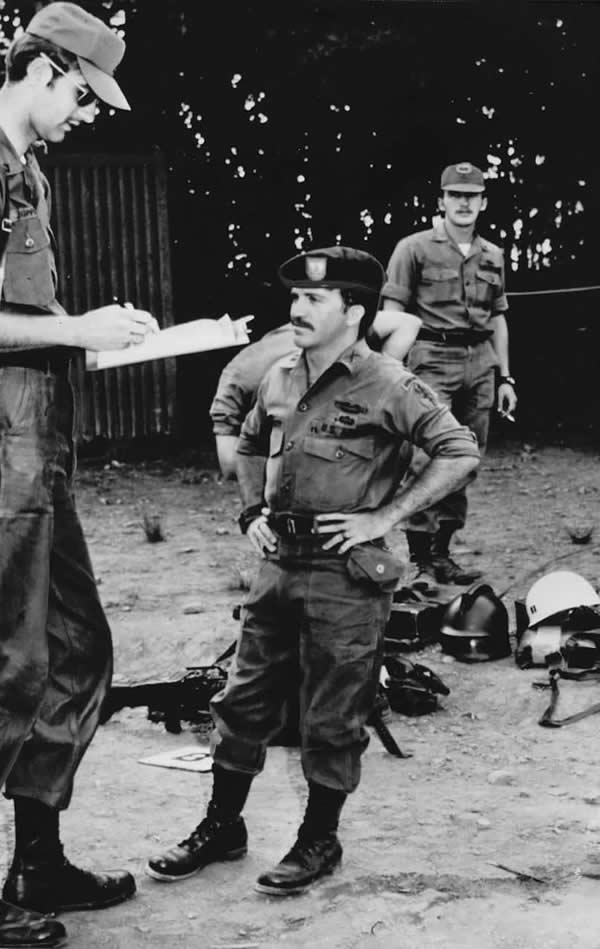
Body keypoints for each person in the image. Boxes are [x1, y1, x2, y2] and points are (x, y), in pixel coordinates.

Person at [0, 4, 159, 946]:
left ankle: (36, 854)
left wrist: (100, 335)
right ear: (43, 70)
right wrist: (70, 332)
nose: (87, 114)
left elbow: (20, 313)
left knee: (79, 646)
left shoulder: (24, 171)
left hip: (34, 430)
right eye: (84, 96)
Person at [146, 246, 480, 896]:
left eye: (313, 300)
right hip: (278, 566)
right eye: (294, 297)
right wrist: (250, 512)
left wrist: (386, 514)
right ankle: (223, 825)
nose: (296, 309)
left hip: (347, 574)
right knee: (241, 702)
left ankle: (318, 838)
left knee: (332, 712)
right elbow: (245, 443)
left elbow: (458, 449)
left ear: (353, 310)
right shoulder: (280, 375)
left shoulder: (388, 382)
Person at [381, 161, 518, 588]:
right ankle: (420, 558)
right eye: (455, 195)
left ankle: (442, 553)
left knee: (465, 458)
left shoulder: (493, 254)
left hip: (480, 361)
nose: (464, 203)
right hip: (430, 357)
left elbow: (497, 320)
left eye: (472, 196)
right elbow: (391, 314)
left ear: (483, 202)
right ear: (441, 201)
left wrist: (506, 377)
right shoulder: (413, 248)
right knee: (425, 456)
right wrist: (390, 373)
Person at [210, 311, 422, 479]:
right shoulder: (235, 384)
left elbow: (406, 323)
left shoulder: (326, 335)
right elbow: (230, 464)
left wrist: (375, 379)